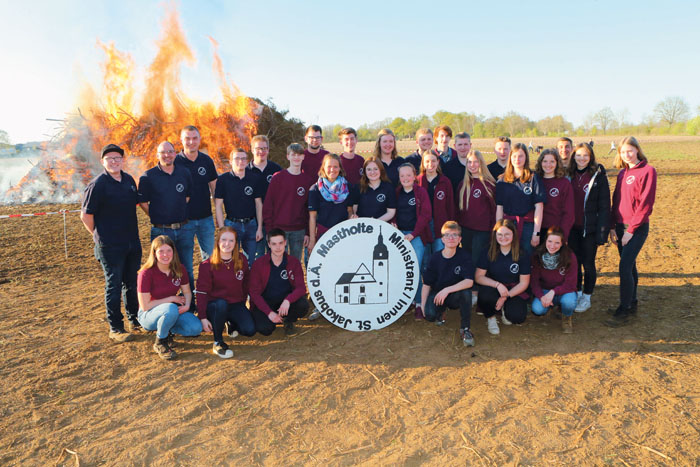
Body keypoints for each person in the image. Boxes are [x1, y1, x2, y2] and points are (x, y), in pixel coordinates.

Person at [81, 144, 141, 342]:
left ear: (123, 160)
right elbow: (86, 216)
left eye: (117, 158)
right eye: (109, 159)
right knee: (113, 285)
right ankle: (115, 327)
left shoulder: (129, 180)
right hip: (110, 246)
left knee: (131, 283)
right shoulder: (98, 185)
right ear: (103, 162)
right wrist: (99, 235)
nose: (114, 162)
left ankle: (135, 320)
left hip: (131, 242)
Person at [606, 136, 657, 327]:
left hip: (636, 227)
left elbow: (646, 204)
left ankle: (624, 308)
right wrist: (612, 226)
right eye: (622, 152)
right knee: (630, 265)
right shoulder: (622, 173)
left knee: (624, 266)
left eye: (630, 150)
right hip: (620, 226)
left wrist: (631, 230)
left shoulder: (648, 171)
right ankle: (632, 302)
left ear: (637, 150)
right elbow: (616, 201)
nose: (626, 155)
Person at [137, 235, 203, 360]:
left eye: (168, 251)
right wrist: (171, 298)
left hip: (170, 311)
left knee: (195, 328)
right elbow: (145, 306)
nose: (165, 255)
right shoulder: (146, 273)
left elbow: (187, 292)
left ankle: (167, 331)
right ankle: (160, 342)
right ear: (154, 253)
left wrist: (188, 305)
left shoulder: (179, 268)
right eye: (161, 251)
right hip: (148, 315)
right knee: (171, 308)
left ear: (174, 252)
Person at [197, 227, 255, 358]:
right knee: (221, 304)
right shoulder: (207, 265)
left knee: (249, 330)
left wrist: (245, 302)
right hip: (215, 306)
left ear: (236, 243)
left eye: (231, 240)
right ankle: (218, 341)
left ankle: (230, 323)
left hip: (235, 304)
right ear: (218, 241)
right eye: (223, 240)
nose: (227, 244)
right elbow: (201, 293)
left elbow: (246, 283)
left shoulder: (241, 260)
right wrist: (203, 317)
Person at [138, 141, 193, 281]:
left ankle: (189, 302)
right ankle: (163, 301)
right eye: (163, 152)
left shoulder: (184, 173)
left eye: (170, 152)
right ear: (157, 155)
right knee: (160, 270)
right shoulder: (148, 177)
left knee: (186, 268)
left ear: (175, 154)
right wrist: (158, 215)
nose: (167, 155)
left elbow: (187, 197)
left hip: (184, 229)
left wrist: (175, 210)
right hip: (161, 231)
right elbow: (143, 202)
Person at [566, 142, 610, 313]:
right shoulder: (568, 175)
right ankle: (576, 292)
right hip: (572, 228)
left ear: (590, 157)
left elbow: (605, 206)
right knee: (574, 262)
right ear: (573, 156)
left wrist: (602, 231)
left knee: (588, 263)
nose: (582, 158)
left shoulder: (598, 177)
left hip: (589, 229)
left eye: (585, 155)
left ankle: (587, 296)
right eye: (578, 155)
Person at [175, 126, 217, 296]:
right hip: (184, 222)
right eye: (187, 138)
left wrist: (218, 213)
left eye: (194, 138)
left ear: (199, 140)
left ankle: (210, 294)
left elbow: (214, 188)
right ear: (182, 140)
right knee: (186, 263)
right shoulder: (175, 162)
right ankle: (189, 297)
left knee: (210, 260)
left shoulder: (206, 161)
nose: (191, 142)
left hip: (206, 219)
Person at [420, 222, 476, 346]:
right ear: (442, 239)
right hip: (438, 293)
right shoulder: (435, 258)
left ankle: (465, 329)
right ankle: (440, 312)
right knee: (430, 316)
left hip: (454, 294)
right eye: (447, 235)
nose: (451, 238)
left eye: (455, 235)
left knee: (466, 293)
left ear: (460, 239)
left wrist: (447, 290)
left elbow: (469, 281)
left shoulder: (465, 256)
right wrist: (422, 304)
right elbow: (427, 283)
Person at [475, 219, 531, 335]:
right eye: (500, 234)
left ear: (513, 235)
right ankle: (490, 317)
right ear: (495, 235)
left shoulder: (522, 254)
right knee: (485, 296)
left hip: (513, 290)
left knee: (517, 317)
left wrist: (505, 297)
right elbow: (479, 277)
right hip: (493, 288)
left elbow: (524, 283)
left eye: (507, 234)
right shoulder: (487, 251)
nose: (503, 238)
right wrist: (497, 285)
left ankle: (504, 308)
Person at [249, 229, 310, 335]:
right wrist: (269, 313)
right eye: (274, 244)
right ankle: (274, 318)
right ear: (268, 244)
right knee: (265, 329)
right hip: (266, 302)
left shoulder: (293, 262)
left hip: (284, 303)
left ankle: (288, 320)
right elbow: (254, 293)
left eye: (281, 243)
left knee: (303, 305)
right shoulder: (258, 264)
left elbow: (301, 288)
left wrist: (288, 300)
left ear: (285, 243)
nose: (278, 247)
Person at [456, 150, 497, 305]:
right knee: (467, 259)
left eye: (475, 162)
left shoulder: (489, 184)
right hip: (466, 230)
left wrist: (493, 231)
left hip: (483, 231)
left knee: (477, 260)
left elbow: (494, 211)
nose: (472, 165)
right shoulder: (462, 184)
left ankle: (476, 291)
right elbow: (459, 210)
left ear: (481, 163)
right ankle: (469, 288)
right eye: (469, 162)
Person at [394, 163, 432, 319]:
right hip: (400, 235)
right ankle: (406, 301)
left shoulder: (421, 192)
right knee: (401, 269)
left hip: (416, 235)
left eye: (408, 175)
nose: (405, 178)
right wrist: (394, 223)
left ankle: (418, 303)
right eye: (402, 176)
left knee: (414, 268)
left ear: (414, 176)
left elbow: (426, 215)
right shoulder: (397, 192)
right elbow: (393, 212)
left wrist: (414, 234)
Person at [495, 143, 546, 258]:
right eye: (514, 156)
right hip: (508, 225)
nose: (517, 159)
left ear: (526, 158)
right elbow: (499, 208)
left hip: (528, 226)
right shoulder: (502, 180)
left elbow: (539, 207)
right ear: (510, 158)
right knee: (508, 257)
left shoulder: (534, 178)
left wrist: (536, 233)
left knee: (526, 258)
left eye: (521, 156)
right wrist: (498, 230)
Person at [263, 143, 311, 262]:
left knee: (294, 263)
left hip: (298, 230)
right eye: (293, 155)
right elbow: (268, 206)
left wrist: (308, 232)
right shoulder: (278, 178)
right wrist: (270, 231)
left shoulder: (307, 180)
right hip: (279, 229)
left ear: (303, 157)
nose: (296, 157)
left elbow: (308, 209)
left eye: (299, 155)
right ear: (288, 156)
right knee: (277, 262)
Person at [214, 148, 263, 263]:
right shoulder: (222, 180)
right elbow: (218, 205)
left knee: (251, 260)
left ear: (247, 161)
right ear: (230, 161)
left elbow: (258, 204)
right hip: (231, 224)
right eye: (237, 158)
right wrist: (222, 229)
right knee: (230, 259)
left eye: (243, 158)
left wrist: (259, 227)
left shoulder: (254, 179)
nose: (240, 161)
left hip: (251, 225)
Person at [530, 227, 578, 333]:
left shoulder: (570, 257)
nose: (552, 246)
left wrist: (554, 292)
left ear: (562, 243)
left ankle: (566, 317)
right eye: (550, 241)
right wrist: (541, 296)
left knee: (569, 302)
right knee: (537, 309)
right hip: (545, 291)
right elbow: (534, 282)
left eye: (557, 242)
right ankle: (549, 308)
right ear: (545, 240)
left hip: (564, 291)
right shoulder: (537, 256)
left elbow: (571, 284)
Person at [308, 153, 355, 251]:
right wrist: (312, 240)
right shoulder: (315, 189)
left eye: (335, 167)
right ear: (323, 168)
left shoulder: (347, 187)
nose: (332, 170)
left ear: (340, 168)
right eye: (329, 166)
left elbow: (350, 211)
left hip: (343, 234)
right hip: (323, 234)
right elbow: (312, 217)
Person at [418, 150, 455, 270]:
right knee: (425, 261)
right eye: (427, 161)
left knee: (440, 257)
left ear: (438, 162)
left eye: (433, 161)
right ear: (423, 163)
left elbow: (450, 206)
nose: (430, 164)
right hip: (423, 227)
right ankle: (427, 287)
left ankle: (440, 287)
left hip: (441, 226)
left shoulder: (445, 182)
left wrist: (451, 227)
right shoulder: (417, 181)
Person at [249, 135, 282, 259]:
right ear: (252, 150)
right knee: (256, 257)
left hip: (273, 222)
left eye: (264, 148)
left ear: (268, 150)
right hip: (252, 223)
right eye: (258, 148)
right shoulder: (246, 170)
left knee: (274, 256)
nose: (261, 151)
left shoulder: (276, 170)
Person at [535, 149, 574, 238]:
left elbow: (569, 212)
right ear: (540, 163)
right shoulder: (535, 181)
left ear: (557, 163)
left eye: (552, 161)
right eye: (545, 161)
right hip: (536, 230)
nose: (548, 165)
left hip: (555, 231)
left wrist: (563, 234)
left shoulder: (564, 183)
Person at [353, 157, 397, 221]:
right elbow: (354, 209)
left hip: (382, 226)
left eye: (375, 169)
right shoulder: (358, 187)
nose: (372, 172)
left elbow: (391, 212)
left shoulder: (389, 187)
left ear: (380, 170)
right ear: (365, 171)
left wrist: (375, 222)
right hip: (363, 227)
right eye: (369, 169)